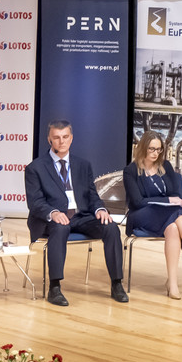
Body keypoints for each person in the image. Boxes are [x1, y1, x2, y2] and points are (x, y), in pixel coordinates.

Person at [24, 120, 127, 306]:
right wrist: (53, 213)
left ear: (71, 138)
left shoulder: (83, 165)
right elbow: (35, 202)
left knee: (111, 227)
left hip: (81, 217)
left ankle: (117, 284)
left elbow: (92, 195)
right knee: (60, 227)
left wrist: (100, 209)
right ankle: (54, 287)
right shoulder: (35, 168)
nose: (61, 141)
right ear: (49, 139)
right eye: (57, 137)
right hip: (51, 220)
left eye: (65, 137)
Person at [122, 130, 182, 299]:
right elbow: (137, 202)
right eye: (152, 149)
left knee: (173, 227)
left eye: (159, 149)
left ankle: (172, 284)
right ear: (143, 148)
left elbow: (176, 194)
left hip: (166, 216)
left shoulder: (165, 166)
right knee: (176, 211)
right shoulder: (131, 170)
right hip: (140, 215)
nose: (155, 153)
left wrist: (171, 201)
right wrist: (166, 200)